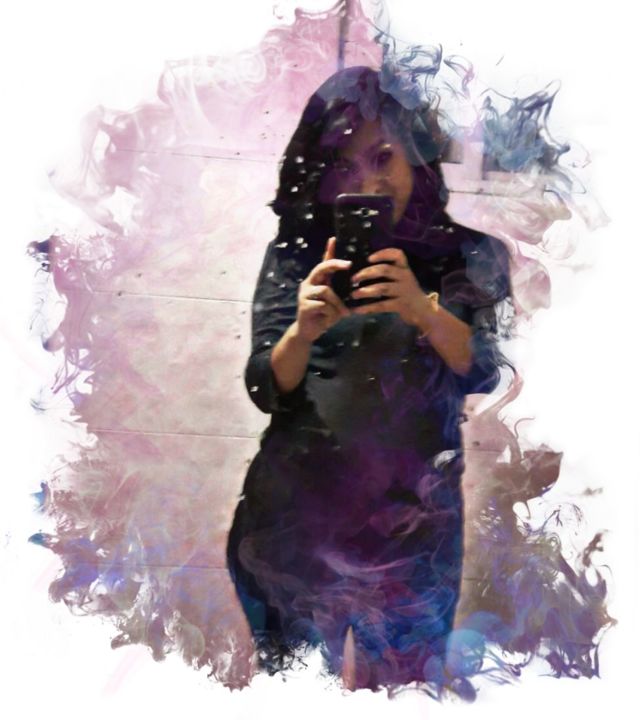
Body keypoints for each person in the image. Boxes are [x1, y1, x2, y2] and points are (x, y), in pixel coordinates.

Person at [226, 65, 511, 691]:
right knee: (296, 696)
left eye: (383, 157)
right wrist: (301, 331)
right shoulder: (296, 253)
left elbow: (488, 371)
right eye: (343, 165)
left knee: (406, 693)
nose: (366, 182)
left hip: (414, 536)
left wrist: (423, 310)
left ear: (417, 159)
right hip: (293, 527)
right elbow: (263, 386)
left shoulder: (473, 254)